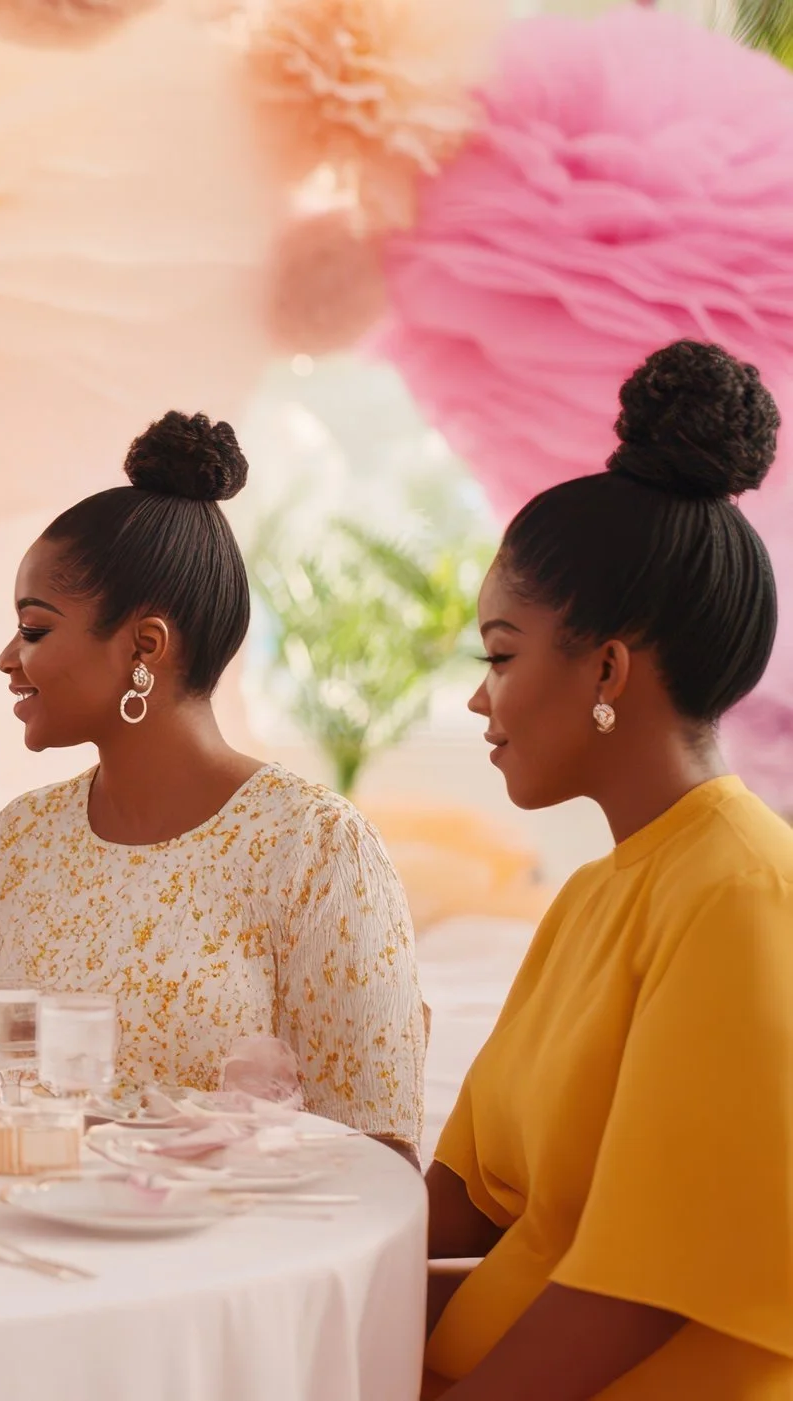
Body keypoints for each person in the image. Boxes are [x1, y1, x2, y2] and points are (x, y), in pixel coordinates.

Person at [425, 341, 793, 1400]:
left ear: (604, 668)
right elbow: (476, 1199)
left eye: (499, 655)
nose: (479, 699)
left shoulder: (741, 892)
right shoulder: (594, 893)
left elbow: (643, 1292)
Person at [0, 412, 424, 1149]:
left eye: (35, 629)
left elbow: (376, 1156)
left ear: (145, 644)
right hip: (27, 1241)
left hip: (232, 1257)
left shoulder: (315, 846)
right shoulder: (20, 839)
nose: (7, 658)